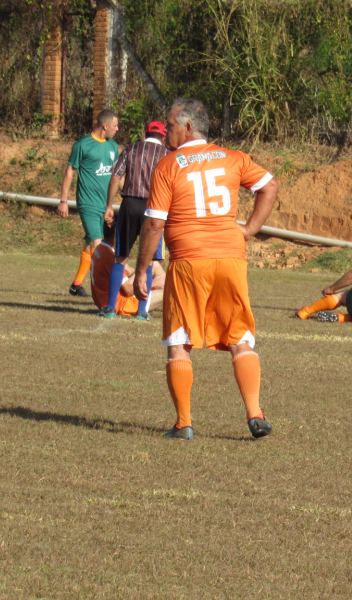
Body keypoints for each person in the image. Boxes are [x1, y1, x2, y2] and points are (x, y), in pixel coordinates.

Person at [135, 97, 280, 441]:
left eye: (170, 125)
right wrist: (250, 229)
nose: (167, 130)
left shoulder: (169, 165)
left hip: (189, 259)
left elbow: (154, 225)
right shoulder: (233, 158)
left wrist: (142, 268)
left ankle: (184, 423)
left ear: (187, 127)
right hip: (231, 257)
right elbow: (270, 186)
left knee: (179, 340)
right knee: (239, 336)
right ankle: (255, 413)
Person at [102, 121, 170, 318]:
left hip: (130, 204)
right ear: (163, 136)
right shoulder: (166, 154)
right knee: (147, 260)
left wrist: (108, 205)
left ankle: (110, 308)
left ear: (145, 132)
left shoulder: (132, 149)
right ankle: (142, 311)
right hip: (154, 207)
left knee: (121, 257)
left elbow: (116, 177)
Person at [57, 109, 120, 297]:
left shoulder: (112, 146)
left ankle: (76, 285)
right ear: (105, 126)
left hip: (105, 204)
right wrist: (63, 200)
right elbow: (70, 171)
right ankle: (106, 288)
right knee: (99, 245)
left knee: (91, 244)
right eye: (115, 126)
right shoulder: (83, 145)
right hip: (88, 203)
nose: (117, 129)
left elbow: (116, 175)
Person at [90, 222, 165, 317]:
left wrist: (143, 274)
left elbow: (128, 270)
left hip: (103, 301)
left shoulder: (101, 248)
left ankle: (175, 286)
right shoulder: (109, 256)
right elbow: (128, 290)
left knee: (153, 264)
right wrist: (154, 283)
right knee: (169, 290)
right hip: (122, 304)